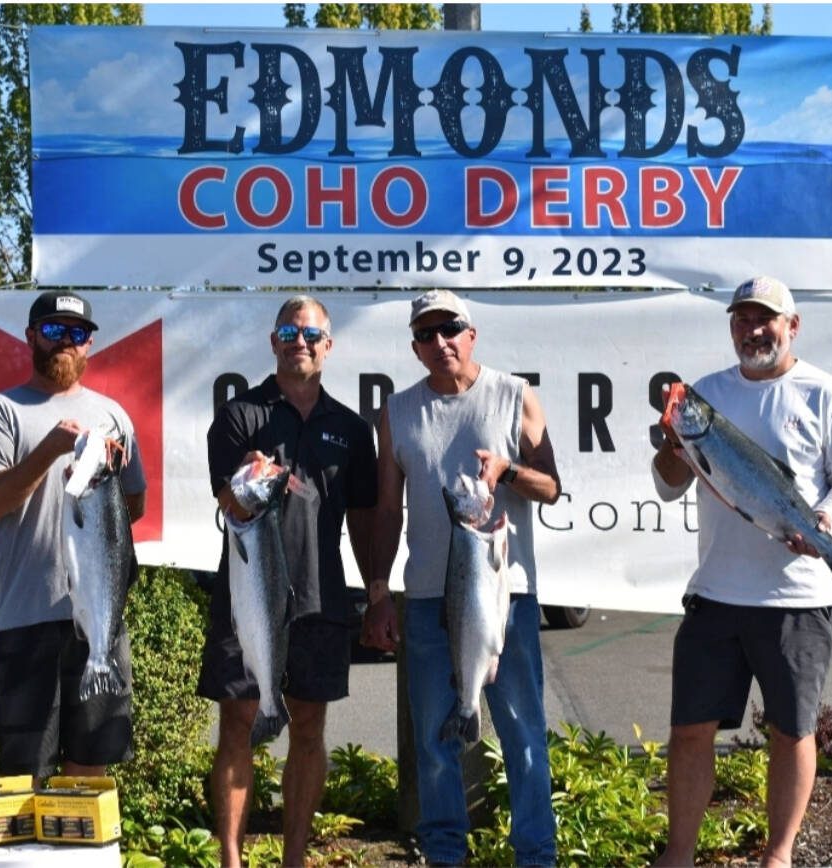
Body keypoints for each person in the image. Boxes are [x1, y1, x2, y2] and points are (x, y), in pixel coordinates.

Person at [650, 276, 832, 867]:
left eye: (764, 319)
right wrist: (672, 449)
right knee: (691, 729)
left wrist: (823, 520)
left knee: (792, 733)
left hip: (797, 597)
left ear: (791, 326)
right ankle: (679, 854)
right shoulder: (706, 397)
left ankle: (779, 856)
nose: (752, 330)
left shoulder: (825, 393)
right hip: (716, 593)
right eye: (742, 320)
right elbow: (669, 486)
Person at [364, 289, 561, 867]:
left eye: (450, 328)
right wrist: (379, 593)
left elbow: (551, 486)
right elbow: (385, 509)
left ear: (471, 334)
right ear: (415, 348)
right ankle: (445, 854)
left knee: (523, 733)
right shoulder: (397, 412)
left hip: (506, 599)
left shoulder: (515, 396)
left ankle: (537, 856)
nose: (439, 341)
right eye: (426, 334)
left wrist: (510, 471)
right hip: (425, 600)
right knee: (435, 741)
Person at [199, 295, 377, 868]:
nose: (299, 341)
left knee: (308, 725)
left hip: (322, 599)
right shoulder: (240, 415)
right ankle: (231, 858)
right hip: (247, 596)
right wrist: (246, 481)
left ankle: (294, 858)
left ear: (328, 345)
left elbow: (366, 518)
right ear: (273, 342)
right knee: (239, 722)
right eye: (288, 332)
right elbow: (227, 502)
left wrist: (378, 595)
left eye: (310, 334)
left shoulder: (350, 428)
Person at [0, 290, 147, 781]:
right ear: (30, 337)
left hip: (100, 623)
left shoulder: (113, 417)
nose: (65, 342)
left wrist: (103, 492)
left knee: (90, 768)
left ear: (89, 345)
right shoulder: (0, 413)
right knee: (27, 776)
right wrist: (52, 448)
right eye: (53, 331)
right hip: (27, 617)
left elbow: (136, 505)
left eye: (77, 334)